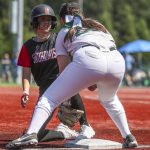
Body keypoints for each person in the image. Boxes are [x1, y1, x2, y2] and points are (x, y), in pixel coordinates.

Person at [6, 2, 138, 149]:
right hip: (117, 60)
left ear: (61, 19)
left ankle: (31, 133)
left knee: (48, 99)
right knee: (110, 100)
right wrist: (93, 78)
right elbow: (107, 47)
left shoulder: (63, 32)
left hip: (89, 58)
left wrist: (67, 97)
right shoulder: (97, 25)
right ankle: (128, 136)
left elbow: (64, 70)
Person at [6, 4, 95, 149]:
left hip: (61, 80)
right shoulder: (28, 47)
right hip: (46, 91)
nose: (46, 23)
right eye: (42, 20)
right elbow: (26, 72)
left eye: (49, 20)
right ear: (35, 23)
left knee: (70, 83)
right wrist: (25, 91)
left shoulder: (58, 39)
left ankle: (85, 125)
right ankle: (64, 133)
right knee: (35, 134)